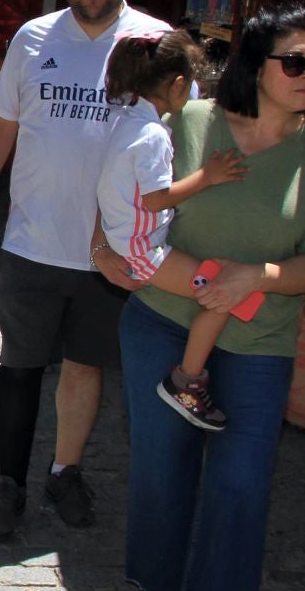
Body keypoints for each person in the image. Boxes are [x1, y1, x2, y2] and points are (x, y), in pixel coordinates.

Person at [94, 7, 305, 591]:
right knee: (162, 466)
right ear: (257, 64)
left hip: (261, 342)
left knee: (241, 485)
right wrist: (101, 242)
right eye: (294, 60)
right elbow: (130, 193)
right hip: (164, 323)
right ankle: (161, 582)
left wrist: (261, 277)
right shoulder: (192, 122)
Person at [0, 0, 171, 537]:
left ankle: (66, 472)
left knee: (84, 366)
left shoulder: (154, 42)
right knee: (20, 366)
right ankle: (9, 484)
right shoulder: (34, 38)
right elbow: (0, 124)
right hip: (32, 240)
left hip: (112, 252)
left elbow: (177, 136)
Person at [95, 29, 252, 428]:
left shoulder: (127, 119)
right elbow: (156, 198)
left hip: (132, 245)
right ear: (179, 84)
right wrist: (209, 176)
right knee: (226, 295)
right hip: (145, 254)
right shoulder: (150, 135)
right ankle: (186, 381)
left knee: (222, 287)